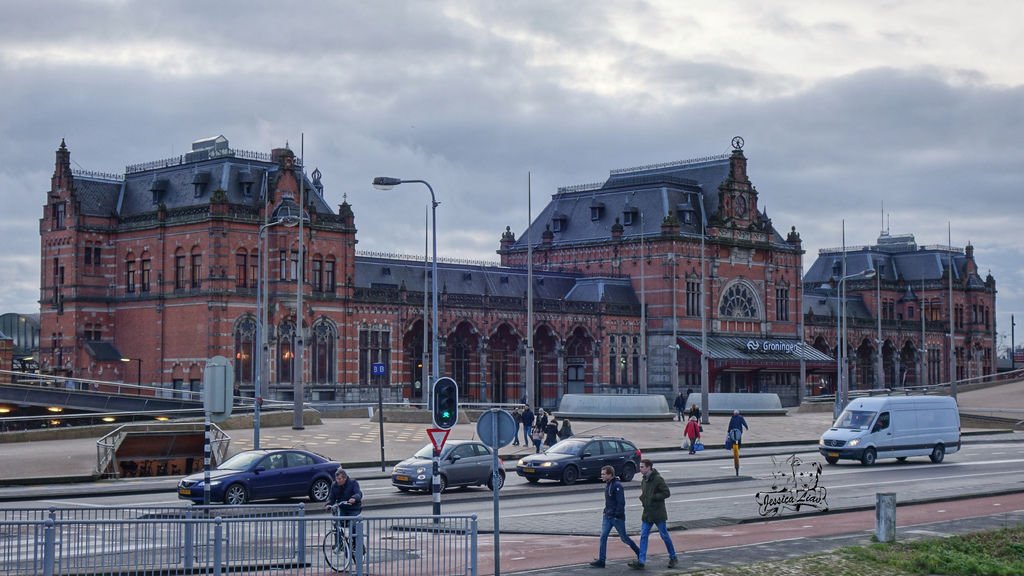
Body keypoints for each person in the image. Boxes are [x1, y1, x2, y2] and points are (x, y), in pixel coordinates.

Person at [629, 459, 678, 570]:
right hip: (647, 513)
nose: (640, 469)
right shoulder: (644, 480)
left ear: (648, 467)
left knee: (664, 535)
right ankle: (641, 561)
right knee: (644, 535)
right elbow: (645, 493)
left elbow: (667, 493)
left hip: (658, 513)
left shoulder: (658, 479)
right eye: (640, 467)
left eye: (642, 467)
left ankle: (673, 557)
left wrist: (654, 497)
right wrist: (643, 499)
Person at [589, 465, 640, 568]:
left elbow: (621, 502)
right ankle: (602, 560)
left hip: (616, 518)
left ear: (610, 474)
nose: (601, 476)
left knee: (624, 538)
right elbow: (609, 501)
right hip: (608, 516)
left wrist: (617, 515)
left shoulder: (617, 486)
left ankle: (640, 553)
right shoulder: (608, 484)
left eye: (603, 474)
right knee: (603, 537)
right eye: (602, 473)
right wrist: (605, 511)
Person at [325, 468, 363, 553]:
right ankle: (339, 544)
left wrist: (354, 498)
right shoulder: (334, 485)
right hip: (342, 508)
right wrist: (328, 504)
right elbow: (331, 498)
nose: (337, 481)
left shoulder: (353, 483)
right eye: (336, 479)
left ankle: (355, 543)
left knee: (352, 524)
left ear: (345, 478)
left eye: (339, 479)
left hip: (353, 508)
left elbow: (358, 493)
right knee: (337, 523)